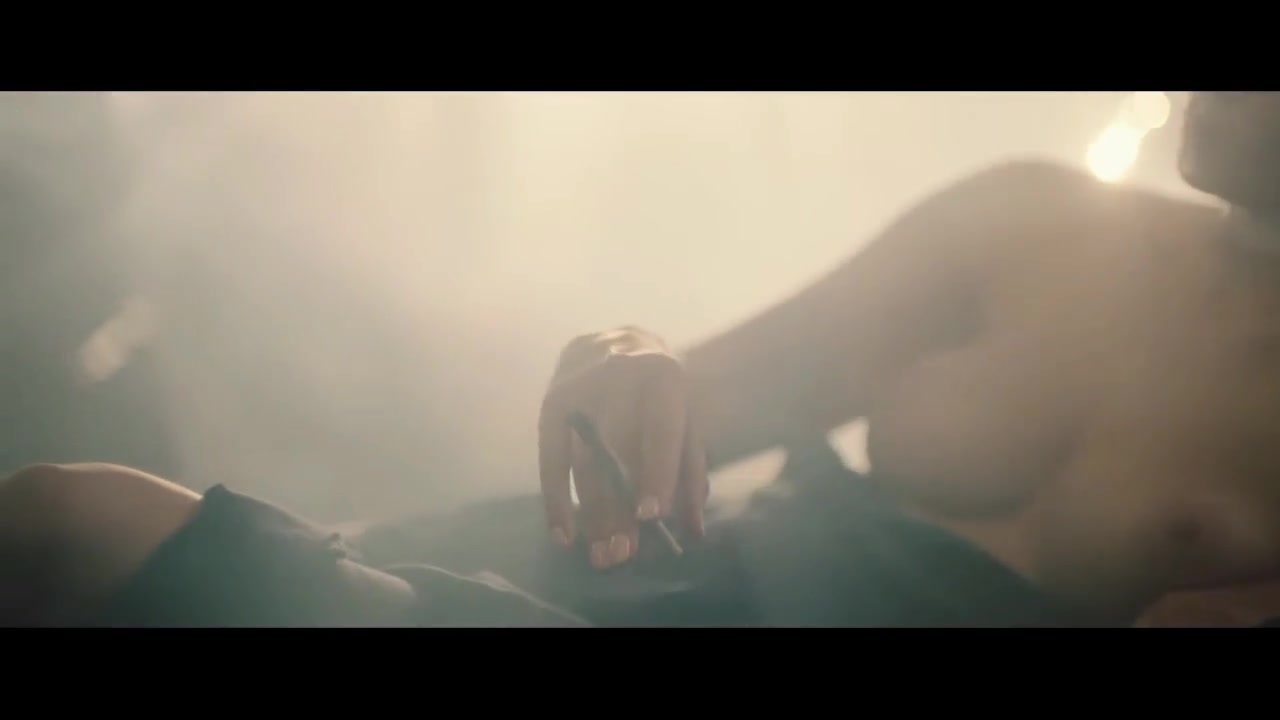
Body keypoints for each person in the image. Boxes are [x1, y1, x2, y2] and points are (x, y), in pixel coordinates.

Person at [5, 91, 1280, 626]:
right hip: (672, 587)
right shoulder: (1037, 220)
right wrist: (622, 361)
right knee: (54, 520)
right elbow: (681, 396)